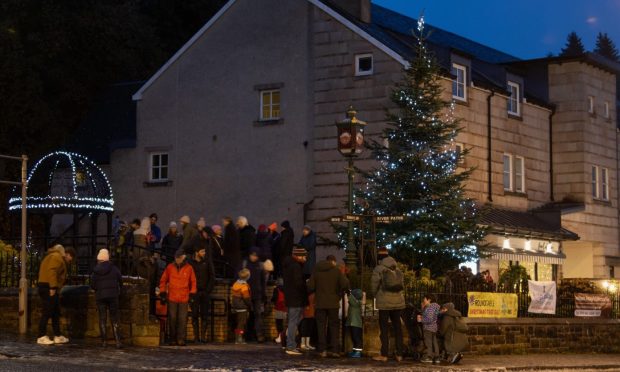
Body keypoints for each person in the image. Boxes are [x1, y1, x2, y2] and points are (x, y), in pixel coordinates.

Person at [308, 254, 350, 358]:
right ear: (333, 262)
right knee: (334, 326)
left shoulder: (316, 271)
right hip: (333, 303)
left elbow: (310, 287)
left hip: (320, 303)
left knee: (321, 326)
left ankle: (322, 350)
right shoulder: (336, 271)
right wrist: (338, 292)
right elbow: (345, 283)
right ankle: (335, 350)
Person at [36, 244, 76, 345]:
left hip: (46, 286)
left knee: (55, 312)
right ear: (66, 254)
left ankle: (57, 335)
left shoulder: (52, 256)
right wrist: (53, 287)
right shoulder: (57, 257)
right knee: (48, 311)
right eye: (71, 257)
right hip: (48, 287)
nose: (71, 260)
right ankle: (41, 336)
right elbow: (52, 271)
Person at [371, 250, 405, 362]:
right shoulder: (398, 269)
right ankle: (399, 354)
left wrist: (375, 295)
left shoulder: (379, 268)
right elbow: (401, 285)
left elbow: (374, 284)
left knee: (384, 329)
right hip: (398, 302)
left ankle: (384, 354)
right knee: (398, 328)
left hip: (384, 303)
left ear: (380, 258)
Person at [159, 249, 197, 346]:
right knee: (172, 318)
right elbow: (163, 280)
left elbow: (193, 282)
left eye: (179, 258)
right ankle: (172, 339)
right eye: (176, 258)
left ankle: (181, 339)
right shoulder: (170, 267)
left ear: (183, 258)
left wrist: (192, 294)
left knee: (182, 319)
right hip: (172, 297)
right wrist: (163, 292)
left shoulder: (189, 268)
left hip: (184, 297)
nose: (177, 260)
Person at [91, 248, 123, 348]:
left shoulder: (96, 270)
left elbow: (92, 285)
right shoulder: (114, 268)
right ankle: (118, 341)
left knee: (102, 318)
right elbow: (120, 280)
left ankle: (104, 342)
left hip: (100, 296)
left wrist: (99, 289)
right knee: (114, 318)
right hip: (113, 295)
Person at [282, 246, 308, 355]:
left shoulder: (289, 265)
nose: (306, 259)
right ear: (298, 256)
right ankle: (290, 346)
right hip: (296, 298)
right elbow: (298, 284)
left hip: (291, 298)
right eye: (304, 256)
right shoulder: (296, 266)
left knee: (293, 322)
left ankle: (290, 343)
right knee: (293, 322)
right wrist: (305, 286)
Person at [188, 245, 216, 343]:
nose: (204, 253)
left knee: (205, 315)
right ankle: (196, 337)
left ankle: (203, 337)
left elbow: (212, 276)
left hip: (204, 292)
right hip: (194, 292)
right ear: (196, 252)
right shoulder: (190, 263)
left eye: (204, 252)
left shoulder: (207, 262)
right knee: (194, 314)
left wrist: (208, 290)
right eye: (202, 251)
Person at [243, 249, 267, 342]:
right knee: (245, 316)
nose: (254, 257)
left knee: (258, 315)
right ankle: (245, 335)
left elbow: (263, 281)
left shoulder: (260, 266)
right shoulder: (245, 263)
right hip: (246, 293)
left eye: (255, 255)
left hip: (257, 294)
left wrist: (264, 294)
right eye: (252, 255)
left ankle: (259, 335)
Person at [231, 268, 252, 344]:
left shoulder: (235, 284)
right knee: (242, 324)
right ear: (247, 276)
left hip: (236, 306)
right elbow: (246, 298)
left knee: (238, 323)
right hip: (242, 307)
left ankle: (237, 337)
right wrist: (250, 305)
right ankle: (239, 338)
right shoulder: (244, 286)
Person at [420, 294, 441, 363]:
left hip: (428, 328)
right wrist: (423, 308)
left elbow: (429, 319)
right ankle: (437, 357)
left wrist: (421, 320)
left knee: (428, 343)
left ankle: (429, 357)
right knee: (434, 342)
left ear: (429, 300)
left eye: (424, 299)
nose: (423, 301)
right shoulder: (433, 307)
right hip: (434, 328)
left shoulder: (430, 307)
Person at [346, 288, 364, 358]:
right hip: (355, 323)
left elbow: (349, 298)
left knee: (356, 338)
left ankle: (358, 352)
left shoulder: (354, 302)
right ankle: (355, 351)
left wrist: (347, 292)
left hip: (355, 323)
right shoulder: (357, 302)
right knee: (355, 337)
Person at [271, 278, 287, 344]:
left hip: (278, 308)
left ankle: (280, 337)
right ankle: (286, 337)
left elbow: (274, 298)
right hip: (286, 309)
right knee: (286, 324)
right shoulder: (287, 289)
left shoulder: (276, 289)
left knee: (279, 323)